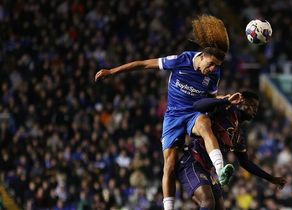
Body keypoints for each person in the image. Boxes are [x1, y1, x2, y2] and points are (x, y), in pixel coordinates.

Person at [94, 15, 241, 210]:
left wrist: (225, 99)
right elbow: (143, 64)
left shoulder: (214, 75)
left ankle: (221, 170)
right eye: (211, 64)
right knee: (170, 164)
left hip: (192, 115)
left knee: (205, 124)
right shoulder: (181, 60)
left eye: (217, 66)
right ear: (203, 56)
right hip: (173, 117)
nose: (213, 69)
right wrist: (112, 72)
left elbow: (209, 101)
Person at [176, 91, 287, 209]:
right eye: (252, 105)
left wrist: (271, 179)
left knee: (219, 207)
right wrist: (226, 100)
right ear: (242, 101)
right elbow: (197, 105)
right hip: (192, 161)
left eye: (257, 108)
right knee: (208, 202)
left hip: (207, 170)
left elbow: (246, 163)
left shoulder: (239, 134)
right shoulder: (226, 109)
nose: (255, 110)